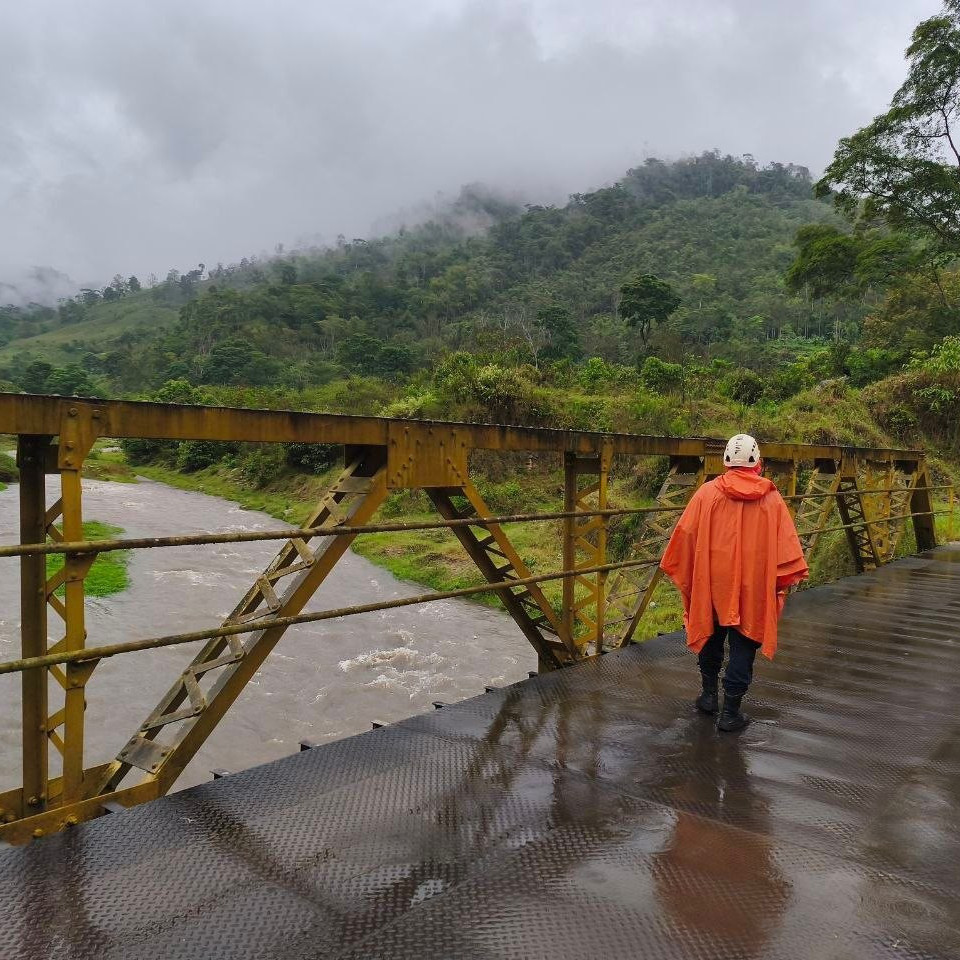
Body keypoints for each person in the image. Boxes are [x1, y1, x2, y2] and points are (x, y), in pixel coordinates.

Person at [660, 434, 808, 732]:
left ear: (725, 461)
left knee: (711, 637)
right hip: (752, 588)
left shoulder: (706, 494)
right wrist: (778, 584)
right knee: (744, 645)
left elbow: (685, 538)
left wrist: (692, 574)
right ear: (759, 464)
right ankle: (730, 714)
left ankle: (708, 697)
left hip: (711, 584)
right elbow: (786, 550)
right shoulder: (772, 499)